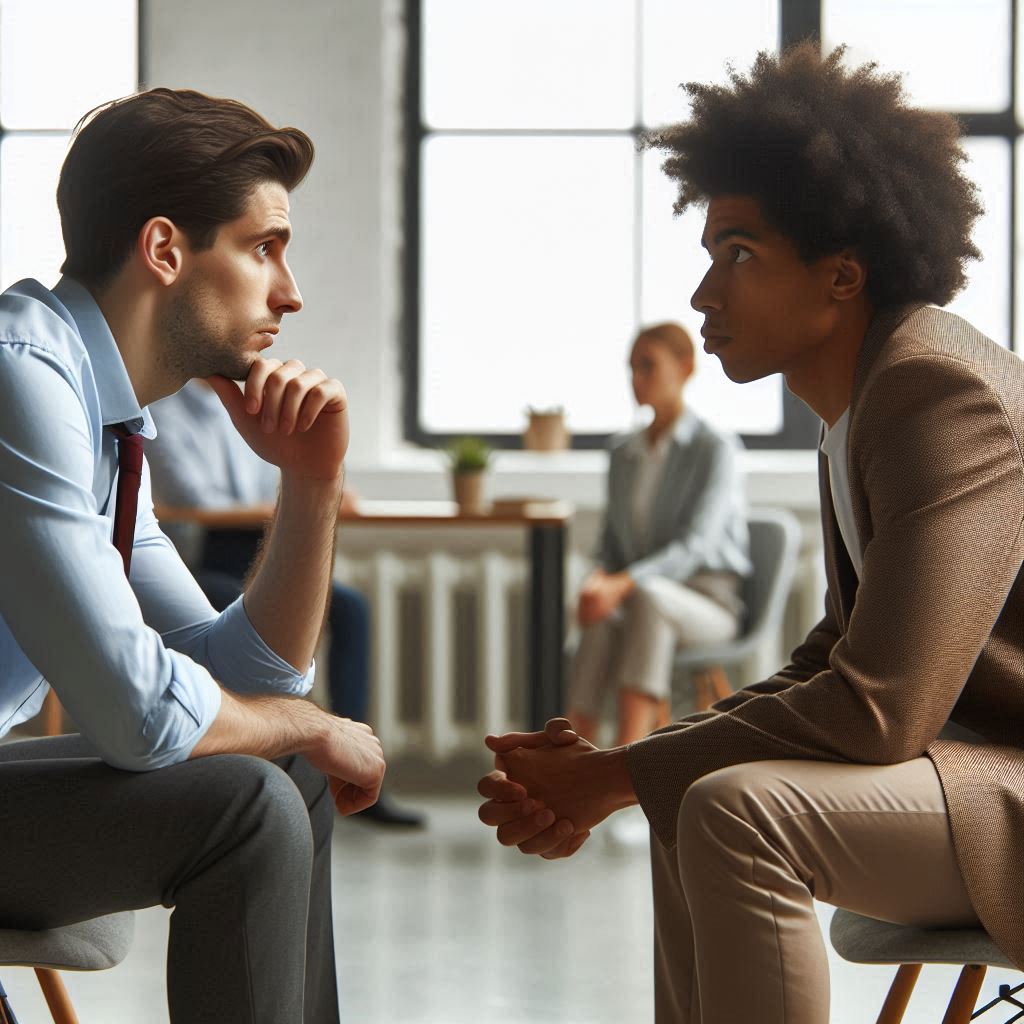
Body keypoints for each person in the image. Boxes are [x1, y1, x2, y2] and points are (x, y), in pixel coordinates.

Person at [477, 42, 1024, 1023]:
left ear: (840, 277)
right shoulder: (861, 403)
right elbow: (836, 654)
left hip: (1008, 789)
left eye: (739, 254)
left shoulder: (934, 394)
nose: (703, 296)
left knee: (734, 810)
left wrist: (609, 774)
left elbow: (877, 708)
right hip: (968, 770)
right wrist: (643, 765)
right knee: (693, 789)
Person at [0, 88, 385, 1023]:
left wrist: (311, 482)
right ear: (166, 250)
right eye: (264, 249)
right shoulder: (21, 377)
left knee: (286, 775)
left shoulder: (107, 419)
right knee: (252, 800)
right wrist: (307, 728)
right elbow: (139, 714)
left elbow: (252, 677)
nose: (289, 293)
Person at [146, 378, 423, 826]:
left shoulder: (243, 407)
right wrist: (310, 489)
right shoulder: (162, 408)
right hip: (200, 558)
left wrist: (304, 482)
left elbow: (270, 482)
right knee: (230, 602)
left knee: (350, 607)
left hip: (259, 547)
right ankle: (264, 755)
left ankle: (357, 773)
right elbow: (194, 499)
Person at [567, 321, 750, 747]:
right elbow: (610, 546)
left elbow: (696, 544)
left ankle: (628, 765)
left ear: (686, 368)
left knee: (647, 597)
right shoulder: (621, 453)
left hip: (708, 604)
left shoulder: (714, 448)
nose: (637, 379)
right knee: (600, 614)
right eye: (631, 368)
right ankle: (574, 750)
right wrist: (597, 582)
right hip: (640, 603)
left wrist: (625, 582)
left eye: (648, 366)